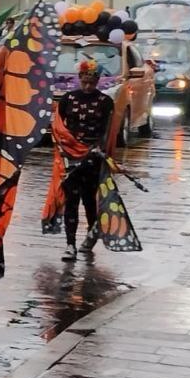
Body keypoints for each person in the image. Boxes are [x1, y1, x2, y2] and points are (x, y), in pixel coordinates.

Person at [56, 59, 114, 262]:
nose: (88, 86)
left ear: (98, 81)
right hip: (71, 157)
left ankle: (91, 234)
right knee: (71, 201)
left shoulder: (105, 102)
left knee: (89, 199)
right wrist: (64, 148)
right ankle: (70, 244)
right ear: (79, 79)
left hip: (93, 157)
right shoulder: (68, 99)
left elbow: (107, 130)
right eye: (85, 82)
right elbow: (59, 125)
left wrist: (102, 150)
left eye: (92, 82)